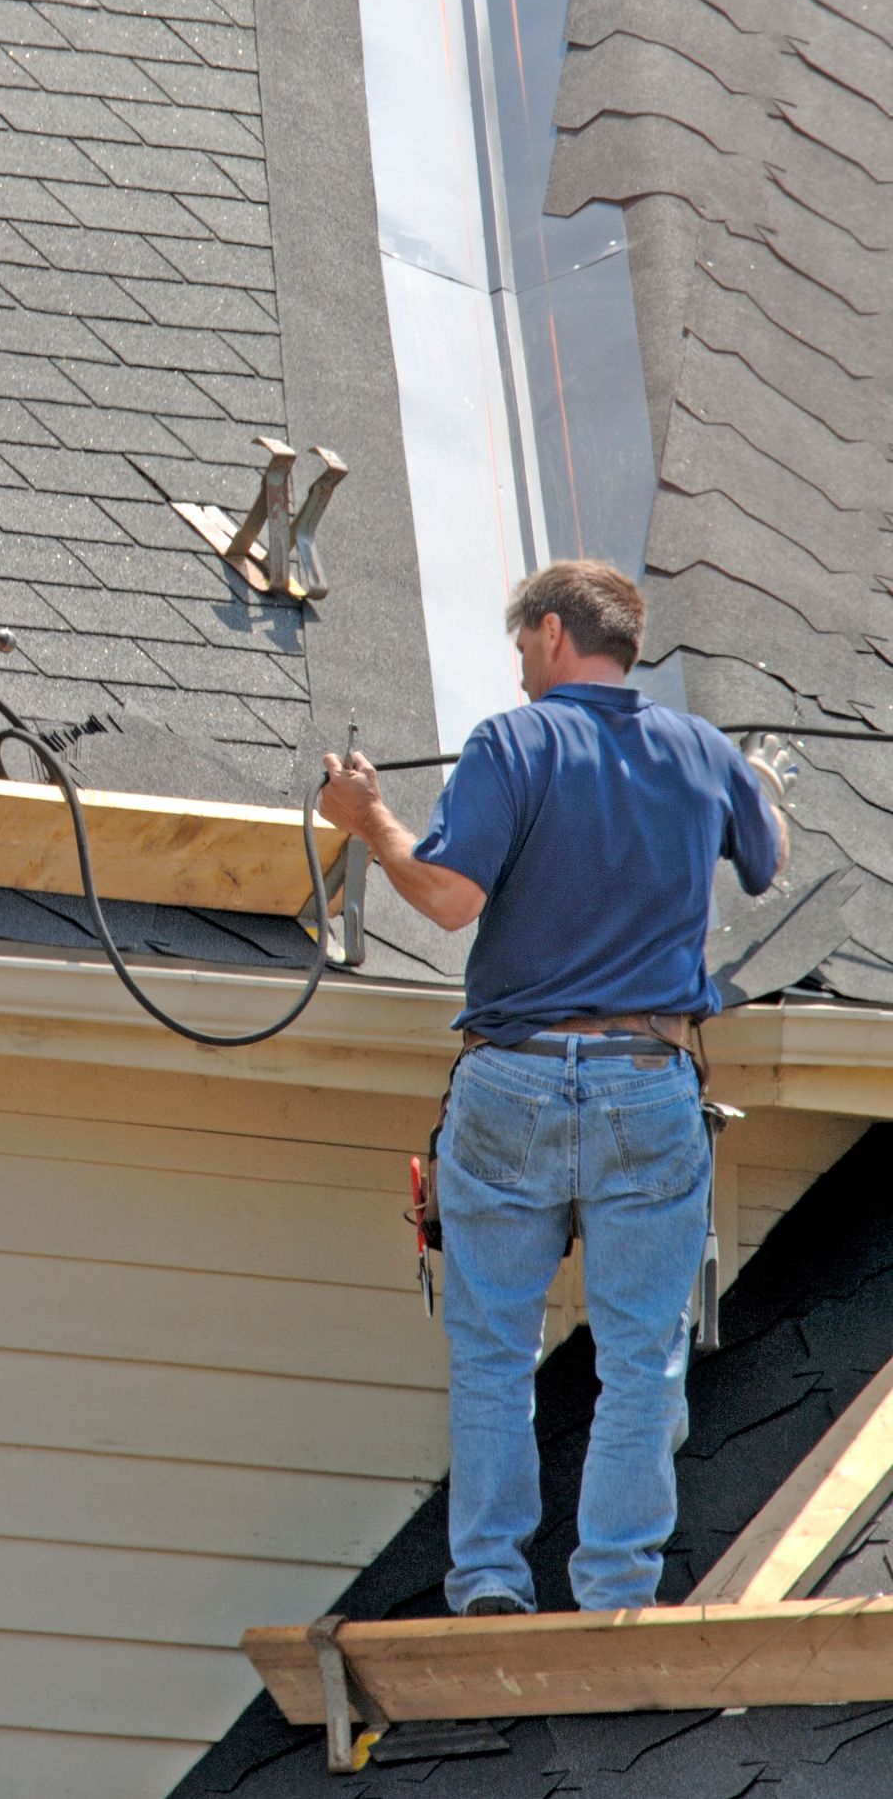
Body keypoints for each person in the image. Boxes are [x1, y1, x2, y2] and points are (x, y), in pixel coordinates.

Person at [315, 559, 789, 1619]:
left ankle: (490, 1584)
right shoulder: (699, 752)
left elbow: (445, 900)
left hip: (515, 1084)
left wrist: (368, 818)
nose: (522, 662)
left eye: (524, 641)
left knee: (492, 1352)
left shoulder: (513, 742)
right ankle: (615, 1593)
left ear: (553, 633)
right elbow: (770, 857)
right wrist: (753, 785)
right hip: (646, 1081)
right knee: (642, 1361)